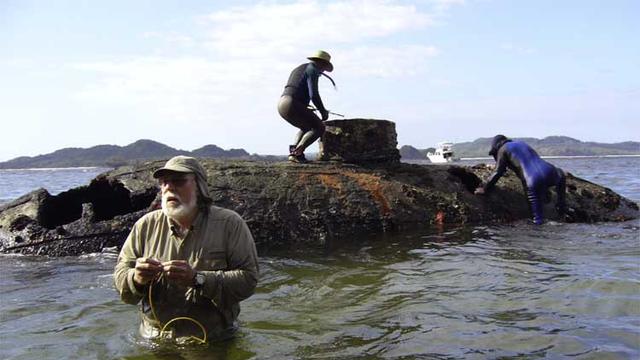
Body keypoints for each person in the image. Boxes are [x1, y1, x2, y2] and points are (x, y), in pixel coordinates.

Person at [113, 155, 259, 343]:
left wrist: (197, 279)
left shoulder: (230, 224)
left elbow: (249, 280)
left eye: (179, 182)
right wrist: (137, 278)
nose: (169, 188)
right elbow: (120, 280)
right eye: (164, 183)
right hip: (154, 339)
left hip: (212, 340)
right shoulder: (145, 225)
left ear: (199, 187)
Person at [474, 135, 566, 225]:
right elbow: (535, 165)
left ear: (496, 147)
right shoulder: (521, 144)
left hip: (533, 179)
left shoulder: (502, 150)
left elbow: (498, 172)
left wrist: (485, 189)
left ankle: (538, 231)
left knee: (537, 219)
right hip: (553, 172)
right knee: (559, 177)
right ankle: (561, 210)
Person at [278, 50, 335, 163]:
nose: (323, 71)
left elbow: (296, 88)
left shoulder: (299, 68)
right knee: (319, 128)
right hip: (292, 103)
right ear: (322, 63)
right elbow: (313, 94)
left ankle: (293, 154)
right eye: (323, 68)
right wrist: (322, 111)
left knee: (306, 128)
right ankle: (298, 152)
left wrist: (304, 105)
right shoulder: (312, 69)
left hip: (282, 103)